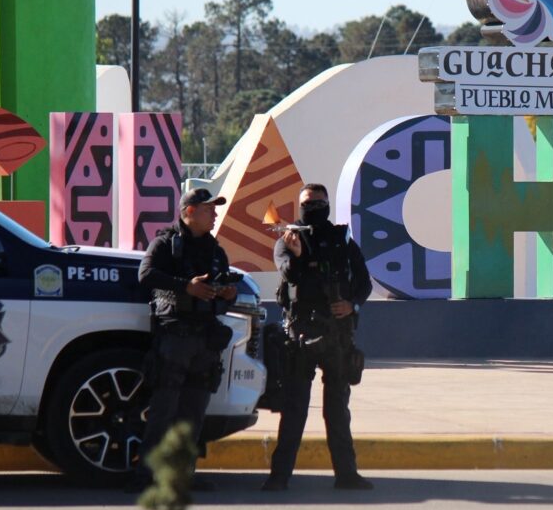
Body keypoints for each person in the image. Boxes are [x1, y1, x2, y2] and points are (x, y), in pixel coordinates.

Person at [262, 183, 374, 492]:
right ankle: (279, 477)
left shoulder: (342, 239)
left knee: (337, 410)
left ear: (327, 204)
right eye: (307, 203)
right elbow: (290, 275)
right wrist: (297, 255)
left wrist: (351, 304)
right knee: (295, 409)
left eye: (318, 202)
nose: (313, 208)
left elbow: (364, 282)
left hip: (338, 338)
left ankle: (347, 475)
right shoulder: (288, 240)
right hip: (302, 338)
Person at [128, 187, 237, 492]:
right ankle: (146, 476)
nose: (215, 214)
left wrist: (228, 293)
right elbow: (145, 275)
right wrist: (184, 287)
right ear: (189, 211)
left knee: (194, 412)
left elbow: (222, 289)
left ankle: (182, 475)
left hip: (206, 338)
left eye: (215, 209)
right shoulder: (165, 243)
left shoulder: (216, 250)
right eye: (208, 209)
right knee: (163, 409)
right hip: (175, 335)